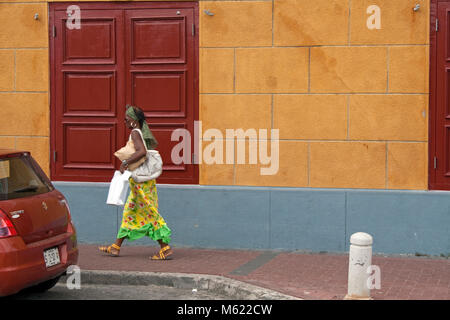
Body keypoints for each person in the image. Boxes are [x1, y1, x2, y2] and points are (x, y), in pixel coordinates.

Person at [99, 105, 173, 260]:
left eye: (127, 118)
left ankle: (165, 248)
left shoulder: (135, 133)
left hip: (141, 184)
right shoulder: (138, 132)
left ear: (134, 121)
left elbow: (142, 152)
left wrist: (125, 162)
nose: (124, 121)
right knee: (130, 212)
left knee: (150, 212)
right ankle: (116, 247)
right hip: (139, 183)